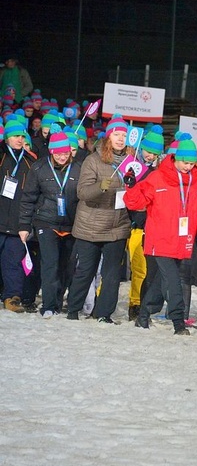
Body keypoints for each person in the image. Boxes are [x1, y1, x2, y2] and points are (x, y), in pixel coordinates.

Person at [124, 134, 197, 335]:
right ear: (176, 158)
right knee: (174, 281)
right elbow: (136, 203)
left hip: (182, 242)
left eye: (191, 163)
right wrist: (132, 186)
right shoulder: (157, 177)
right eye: (185, 162)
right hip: (159, 240)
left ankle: (143, 315)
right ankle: (178, 322)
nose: (188, 167)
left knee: (160, 282)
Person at [65, 114, 132, 324]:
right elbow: (82, 193)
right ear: (108, 137)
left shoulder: (132, 161)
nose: (120, 138)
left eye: (123, 135)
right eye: (116, 134)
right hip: (90, 226)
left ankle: (104, 313)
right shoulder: (93, 160)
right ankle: (74, 309)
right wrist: (101, 186)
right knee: (86, 270)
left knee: (111, 274)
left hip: (117, 225)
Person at [18, 127, 80, 318]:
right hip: (46, 222)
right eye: (58, 153)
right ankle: (49, 305)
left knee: (66, 266)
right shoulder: (39, 168)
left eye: (66, 153)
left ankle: (58, 300)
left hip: (70, 224)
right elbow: (28, 198)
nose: (63, 157)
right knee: (50, 264)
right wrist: (23, 226)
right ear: (52, 151)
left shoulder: (78, 169)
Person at [126, 124, 164, 321]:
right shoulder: (129, 165)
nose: (149, 156)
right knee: (113, 268)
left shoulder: (158, 173)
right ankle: (100, 301)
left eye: (154, 154)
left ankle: (136, 303)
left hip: (142, 228)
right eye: (147, 151)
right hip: (122, 223)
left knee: (140, 270)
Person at [0, 114, 35, 313]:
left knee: (13, 263)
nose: (20, 139)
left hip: (16, 223)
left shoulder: (30, 162)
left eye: (22, 136)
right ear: (7, 138)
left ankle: (12, 297)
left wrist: (26, 224)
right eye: (15, 136)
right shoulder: (1, 155)